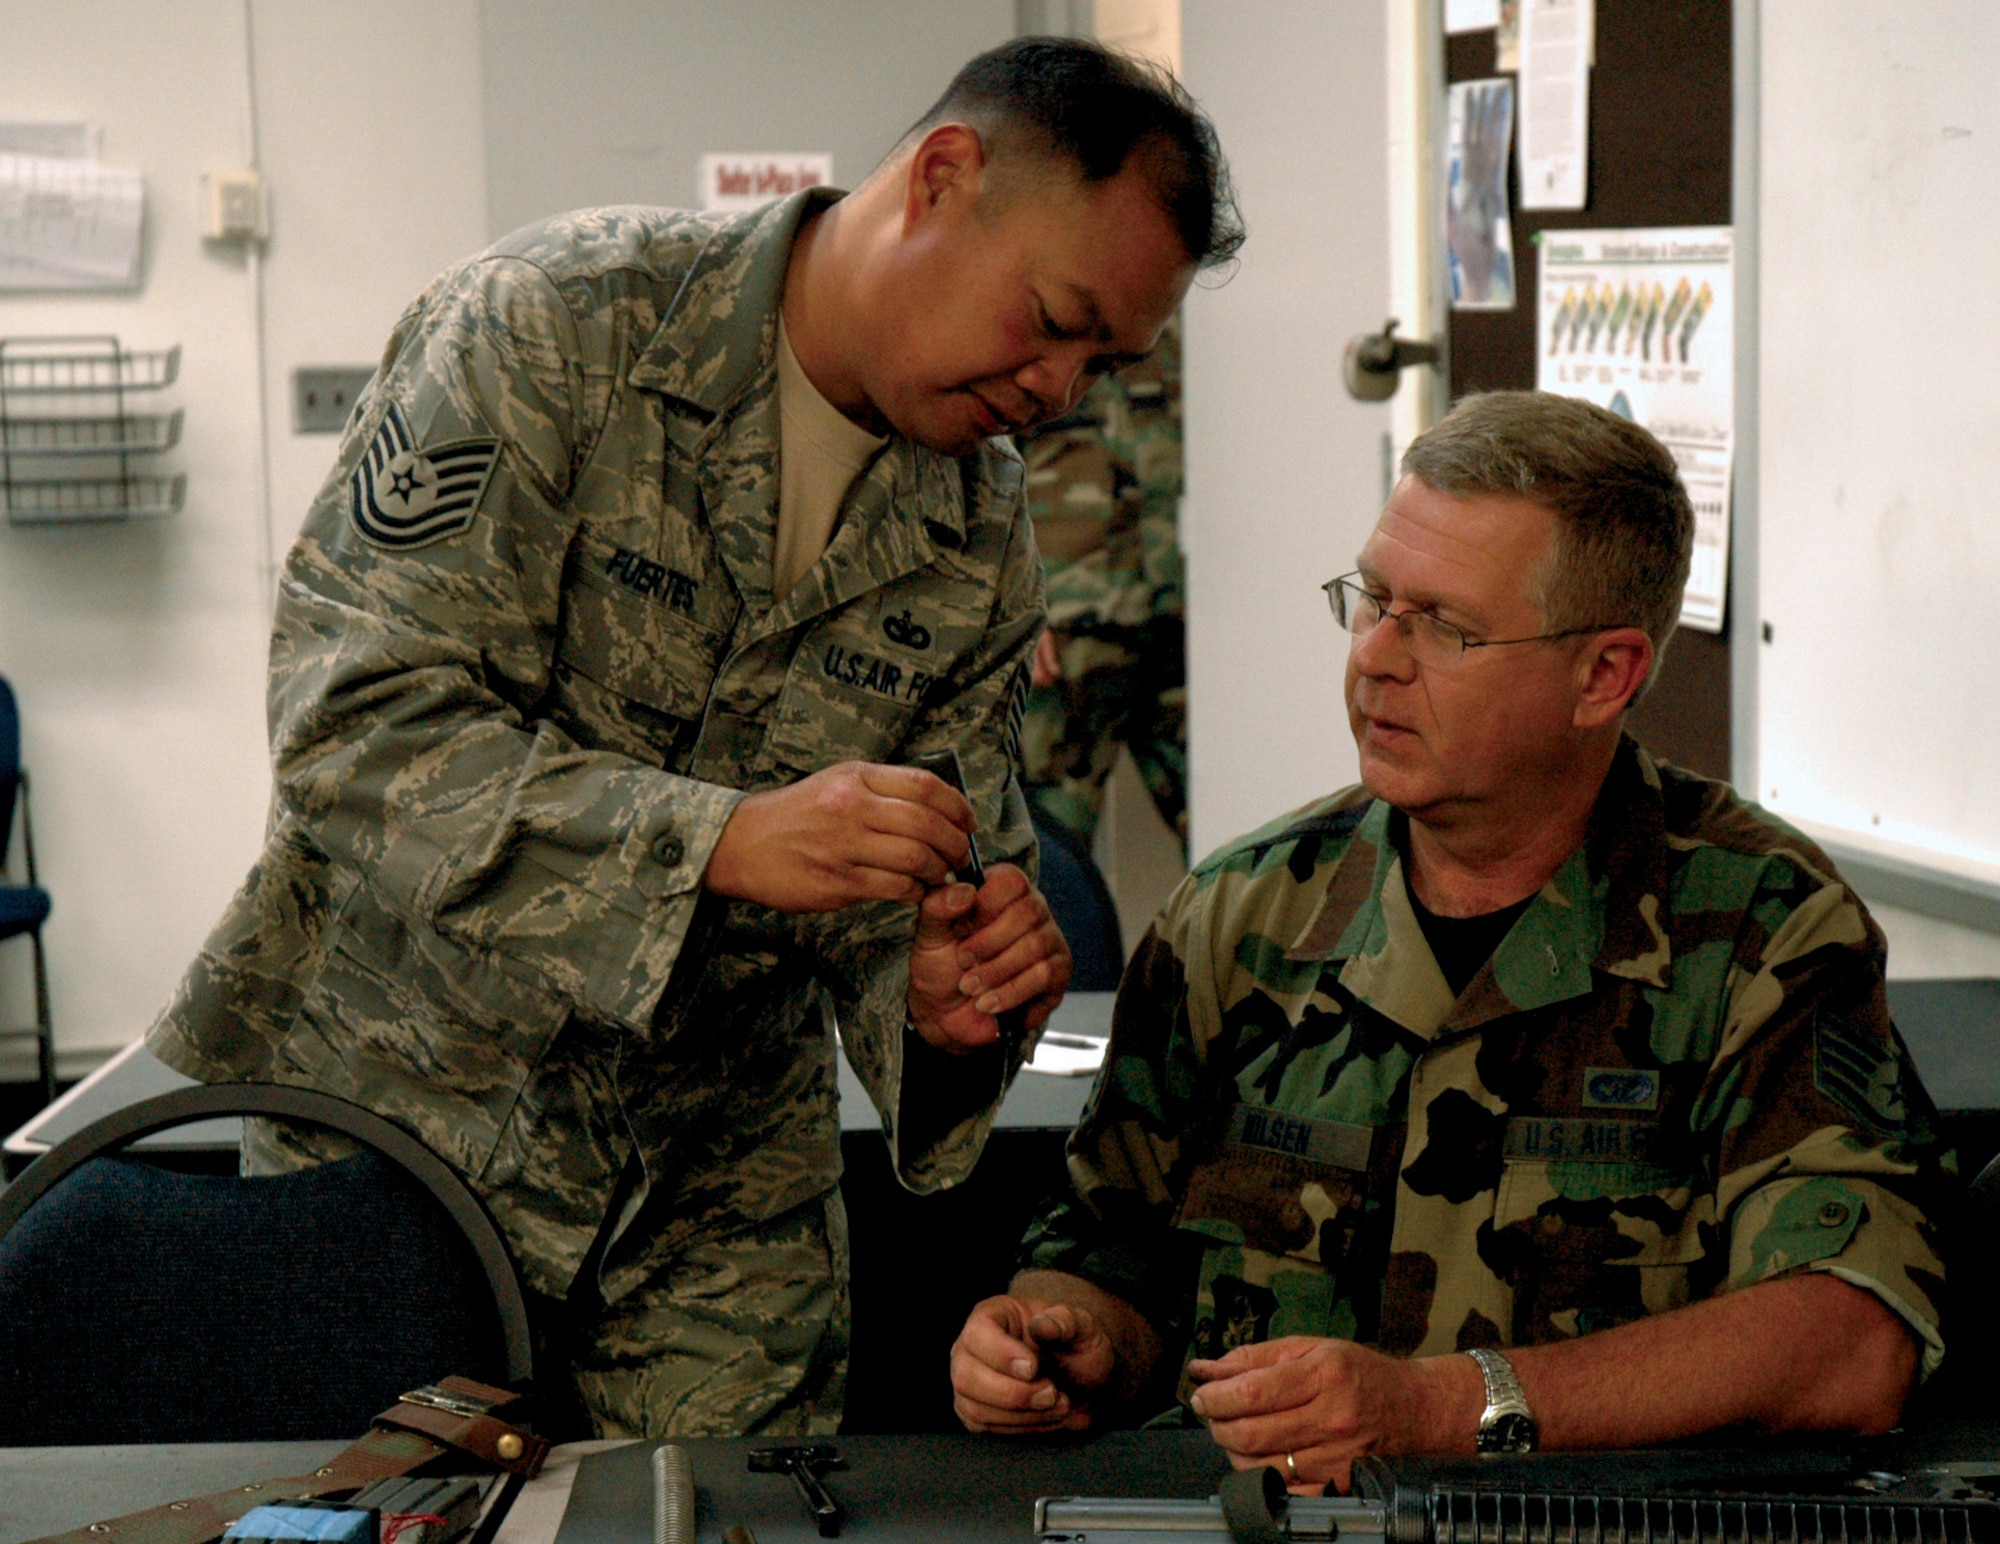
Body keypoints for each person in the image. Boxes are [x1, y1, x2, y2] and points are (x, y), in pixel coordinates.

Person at [147, 37, 1243, 1440]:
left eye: (1109, 361)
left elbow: (926, 891)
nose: (1057, 388)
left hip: (718, 1210)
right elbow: (352, 721)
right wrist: (720, 839)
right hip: (407, 1125)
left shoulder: (976, 525)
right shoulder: (550, 329)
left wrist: (942, 991)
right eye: (1052, 316)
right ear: (942, 179)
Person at [950, 391, 1948, 1489]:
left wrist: (1437, 1406)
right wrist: (1067, 1345)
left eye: (1443, 625)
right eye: (1373, 600)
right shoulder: (1243, 915)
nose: (1376, 656)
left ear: (1603, 674)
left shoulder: (1758, 933)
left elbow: (1850, 1341)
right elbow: (1113, 1252)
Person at [1017, 311, 1188, 854]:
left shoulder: (1187, 322)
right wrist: (1013, 605)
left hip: (1187, 622)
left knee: (1244, 839)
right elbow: (971, 472)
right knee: (1047, 858)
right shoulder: (1029, 317)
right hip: (1067, 631)